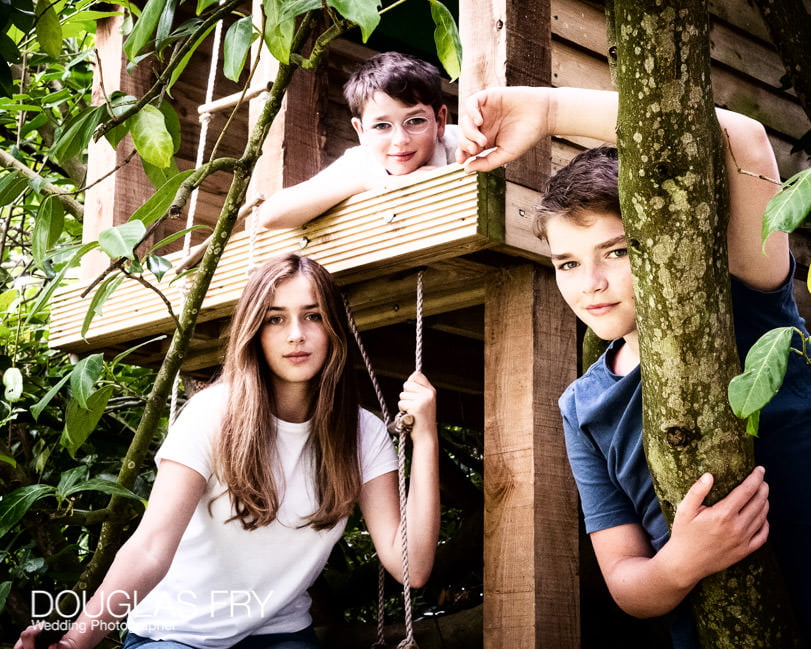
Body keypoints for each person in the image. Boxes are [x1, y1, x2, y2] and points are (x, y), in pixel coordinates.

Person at [457, 86, 811, 646]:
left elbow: (741, 139)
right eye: (568, 262)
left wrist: (550, 112)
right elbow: (626, 581)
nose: (590, 284)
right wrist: (682, 563)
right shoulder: (583, 406)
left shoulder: (744, 300)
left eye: (617, 252)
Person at [16, 253, 440, 649]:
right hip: (176, 633)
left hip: (277, 633)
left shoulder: (362, 432)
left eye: (313, 315)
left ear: (333, 328)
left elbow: (411, 567)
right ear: (255, 331)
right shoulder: (212, 414)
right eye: (276, 319)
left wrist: (425, 438)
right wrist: (75, 642)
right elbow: (150, 546)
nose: (296, 334)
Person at [256, 51, 458, 230]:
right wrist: (373, 182)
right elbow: (271, 214)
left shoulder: (460, 145)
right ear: (360, 131)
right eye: (381, 126)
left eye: (415, 121)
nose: (400, 140)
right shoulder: (361, 163)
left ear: (440, 121)